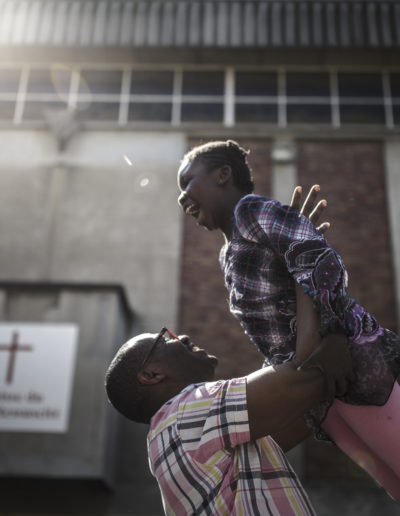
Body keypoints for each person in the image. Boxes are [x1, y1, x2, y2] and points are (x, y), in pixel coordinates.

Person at [177, 139, 400, 501]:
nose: (181, 197)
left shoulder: (250, 211)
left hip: (347, 366)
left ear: (222, 175)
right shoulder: (228, 253)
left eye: (187, 181)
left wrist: (335, 335)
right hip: (322, 391)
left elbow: (318, 259)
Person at [105, 325, 353, 516]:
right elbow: (305, 380)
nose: (183, 337)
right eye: (165, 339)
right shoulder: (182, 410)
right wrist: (336, 333)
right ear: (151, 374)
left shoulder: (168, 442)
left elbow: (301, 417)